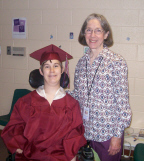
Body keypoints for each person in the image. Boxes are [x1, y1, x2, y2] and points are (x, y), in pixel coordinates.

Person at [1, 44, 87, 161]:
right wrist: (18, 147)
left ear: (62, 70)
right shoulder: (26, 102)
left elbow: (75, 134)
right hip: (30, 155)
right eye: (47, 66)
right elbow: (14, 127)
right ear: (41, 71)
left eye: (56, 66)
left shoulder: (71, 104)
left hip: (60, 157)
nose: (52, 70)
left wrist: (71, 155)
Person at [67, 13, 132, 161]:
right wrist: (57, 92)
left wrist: (117, 136)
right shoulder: (80, 63)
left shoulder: (116, 62)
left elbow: (123, 104)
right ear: (84, 34)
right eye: (88, 30)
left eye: (98, 30)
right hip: (86, 133)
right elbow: (78, 95)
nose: (92, 35)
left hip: (107, 135)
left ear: (106, 34)